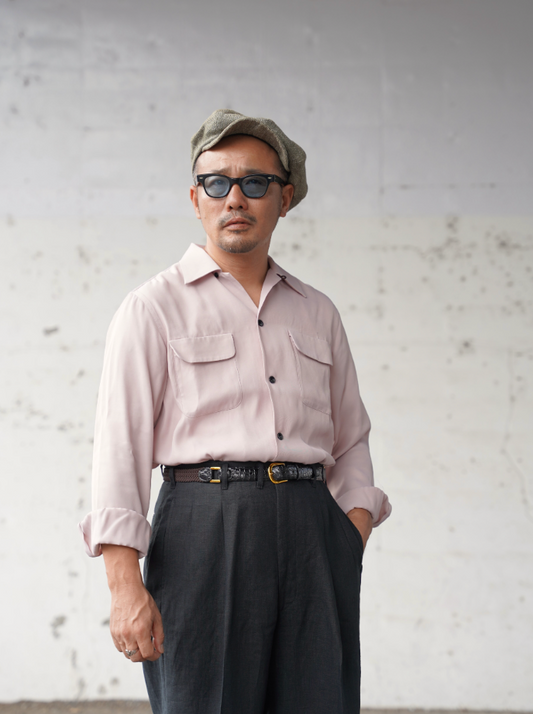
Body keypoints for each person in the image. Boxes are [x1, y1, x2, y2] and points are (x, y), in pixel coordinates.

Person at [79, 108, 391, 714]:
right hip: (203, 531)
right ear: (196, 197)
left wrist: (348, 533)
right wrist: (124, 585)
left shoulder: (318, 312)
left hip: (314, 536)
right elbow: (119, 447)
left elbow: (351, 437)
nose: (235, 198)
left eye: (255, 182)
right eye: (217, 182)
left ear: (285, 198)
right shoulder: (152, 308)